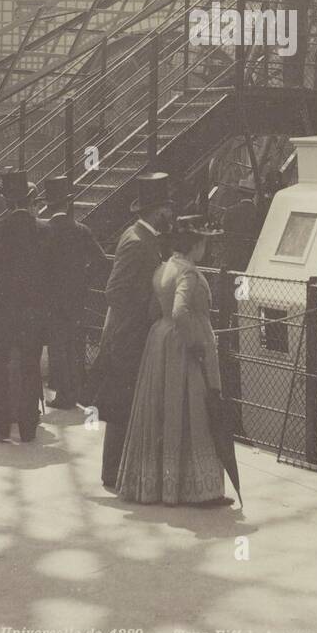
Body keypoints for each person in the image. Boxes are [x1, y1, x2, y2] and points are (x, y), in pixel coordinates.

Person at [117, 216, 232, 506]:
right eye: (204, 242)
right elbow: (181, 311)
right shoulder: (189, 273)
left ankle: (162, 485)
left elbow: (156, 308)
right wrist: (196, 341)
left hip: (161, 341)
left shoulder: (164, 266)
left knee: (165, 410)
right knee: (195, 411)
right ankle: (199, 490)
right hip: (185, 346)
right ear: (196, 245)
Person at [91, 172, 174, 489]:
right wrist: (148, 308)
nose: (171, 214)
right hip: (130, 338)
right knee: (122, 408)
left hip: (134, 335)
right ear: (159, 211)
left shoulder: (143, 238)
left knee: (126, 405)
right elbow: (114, 291)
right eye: (168, 207)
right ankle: (112, 472)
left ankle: (121, 469)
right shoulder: (138, 243)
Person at [0, 171, 48, 442]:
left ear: (6, 200)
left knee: (0, 367)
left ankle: (1, 426)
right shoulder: (43, 230)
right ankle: (29, 429)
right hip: (34, 312)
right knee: (31, 368)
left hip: (3, 311)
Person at [43, 176, 109, 409]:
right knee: (75, 342)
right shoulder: (81, 230)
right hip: (76, 296)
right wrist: (85, 279)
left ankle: (63, 393)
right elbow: (101, 261)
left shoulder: (43, 230)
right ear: (68, 204)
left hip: (50, 297)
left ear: (49, 205)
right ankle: (78, 391)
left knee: (57, 344)